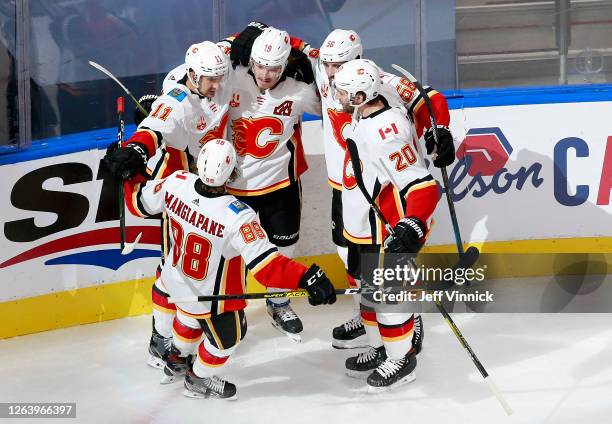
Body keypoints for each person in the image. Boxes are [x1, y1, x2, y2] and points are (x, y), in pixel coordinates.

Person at [136, 139, 336, 399]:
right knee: (227, 340)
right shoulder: (237, 215)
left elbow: (141, 202)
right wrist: (307, 277)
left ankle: (176, 358)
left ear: (199, 163)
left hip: (176, 281)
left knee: (187, 318)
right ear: (232, 173)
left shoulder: (176, 182)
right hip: (215, 298)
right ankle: (198, 379)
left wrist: (131, 173)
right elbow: (267, 268)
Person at [309, 29, 454, 350]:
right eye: (328, 64)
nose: (331, 73)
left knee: (389, 265)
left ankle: (407, 320)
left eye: (339, 65)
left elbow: (430, 99)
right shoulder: (323, 70)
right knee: (351, 258)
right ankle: (369, 316)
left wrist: (438, 129)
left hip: (380, 189)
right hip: (345, 186)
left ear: (357, 61)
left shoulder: (379, 83)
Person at [104, 40, 232, 369]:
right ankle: (160, 337)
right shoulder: (178, 100)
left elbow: (233, 43)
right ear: (191, 74)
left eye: (219, 76)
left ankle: (180, 330)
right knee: (173, 266)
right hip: (178, 185)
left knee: (187, 264)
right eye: (209, 78)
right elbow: (153, 128)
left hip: (202, 181)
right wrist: (136, 150)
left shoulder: (215, 72)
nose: (216, 84)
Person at [333, 59, 452, 392]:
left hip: (382, 226)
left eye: (342, 91)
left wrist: (412, 224)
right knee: (365, 292)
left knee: (389, 300)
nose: (335, 95)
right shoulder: (369, 109)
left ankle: (401, 359)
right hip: (361, 223)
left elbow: (422, 185)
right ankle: (380, 349)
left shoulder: (386, 134)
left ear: (359, 95)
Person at [224, 26, 322, 341]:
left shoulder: (299, 90)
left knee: (284, 246)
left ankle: (277, 301)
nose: (265, 74)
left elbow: (340, 103)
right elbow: (197, 64)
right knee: (232, 254)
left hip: (281, 184)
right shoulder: (230, 76)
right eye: (260, 65)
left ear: (285, 65)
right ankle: (231, 307)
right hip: (233, 187)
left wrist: (314, 65)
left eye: (274, 67)